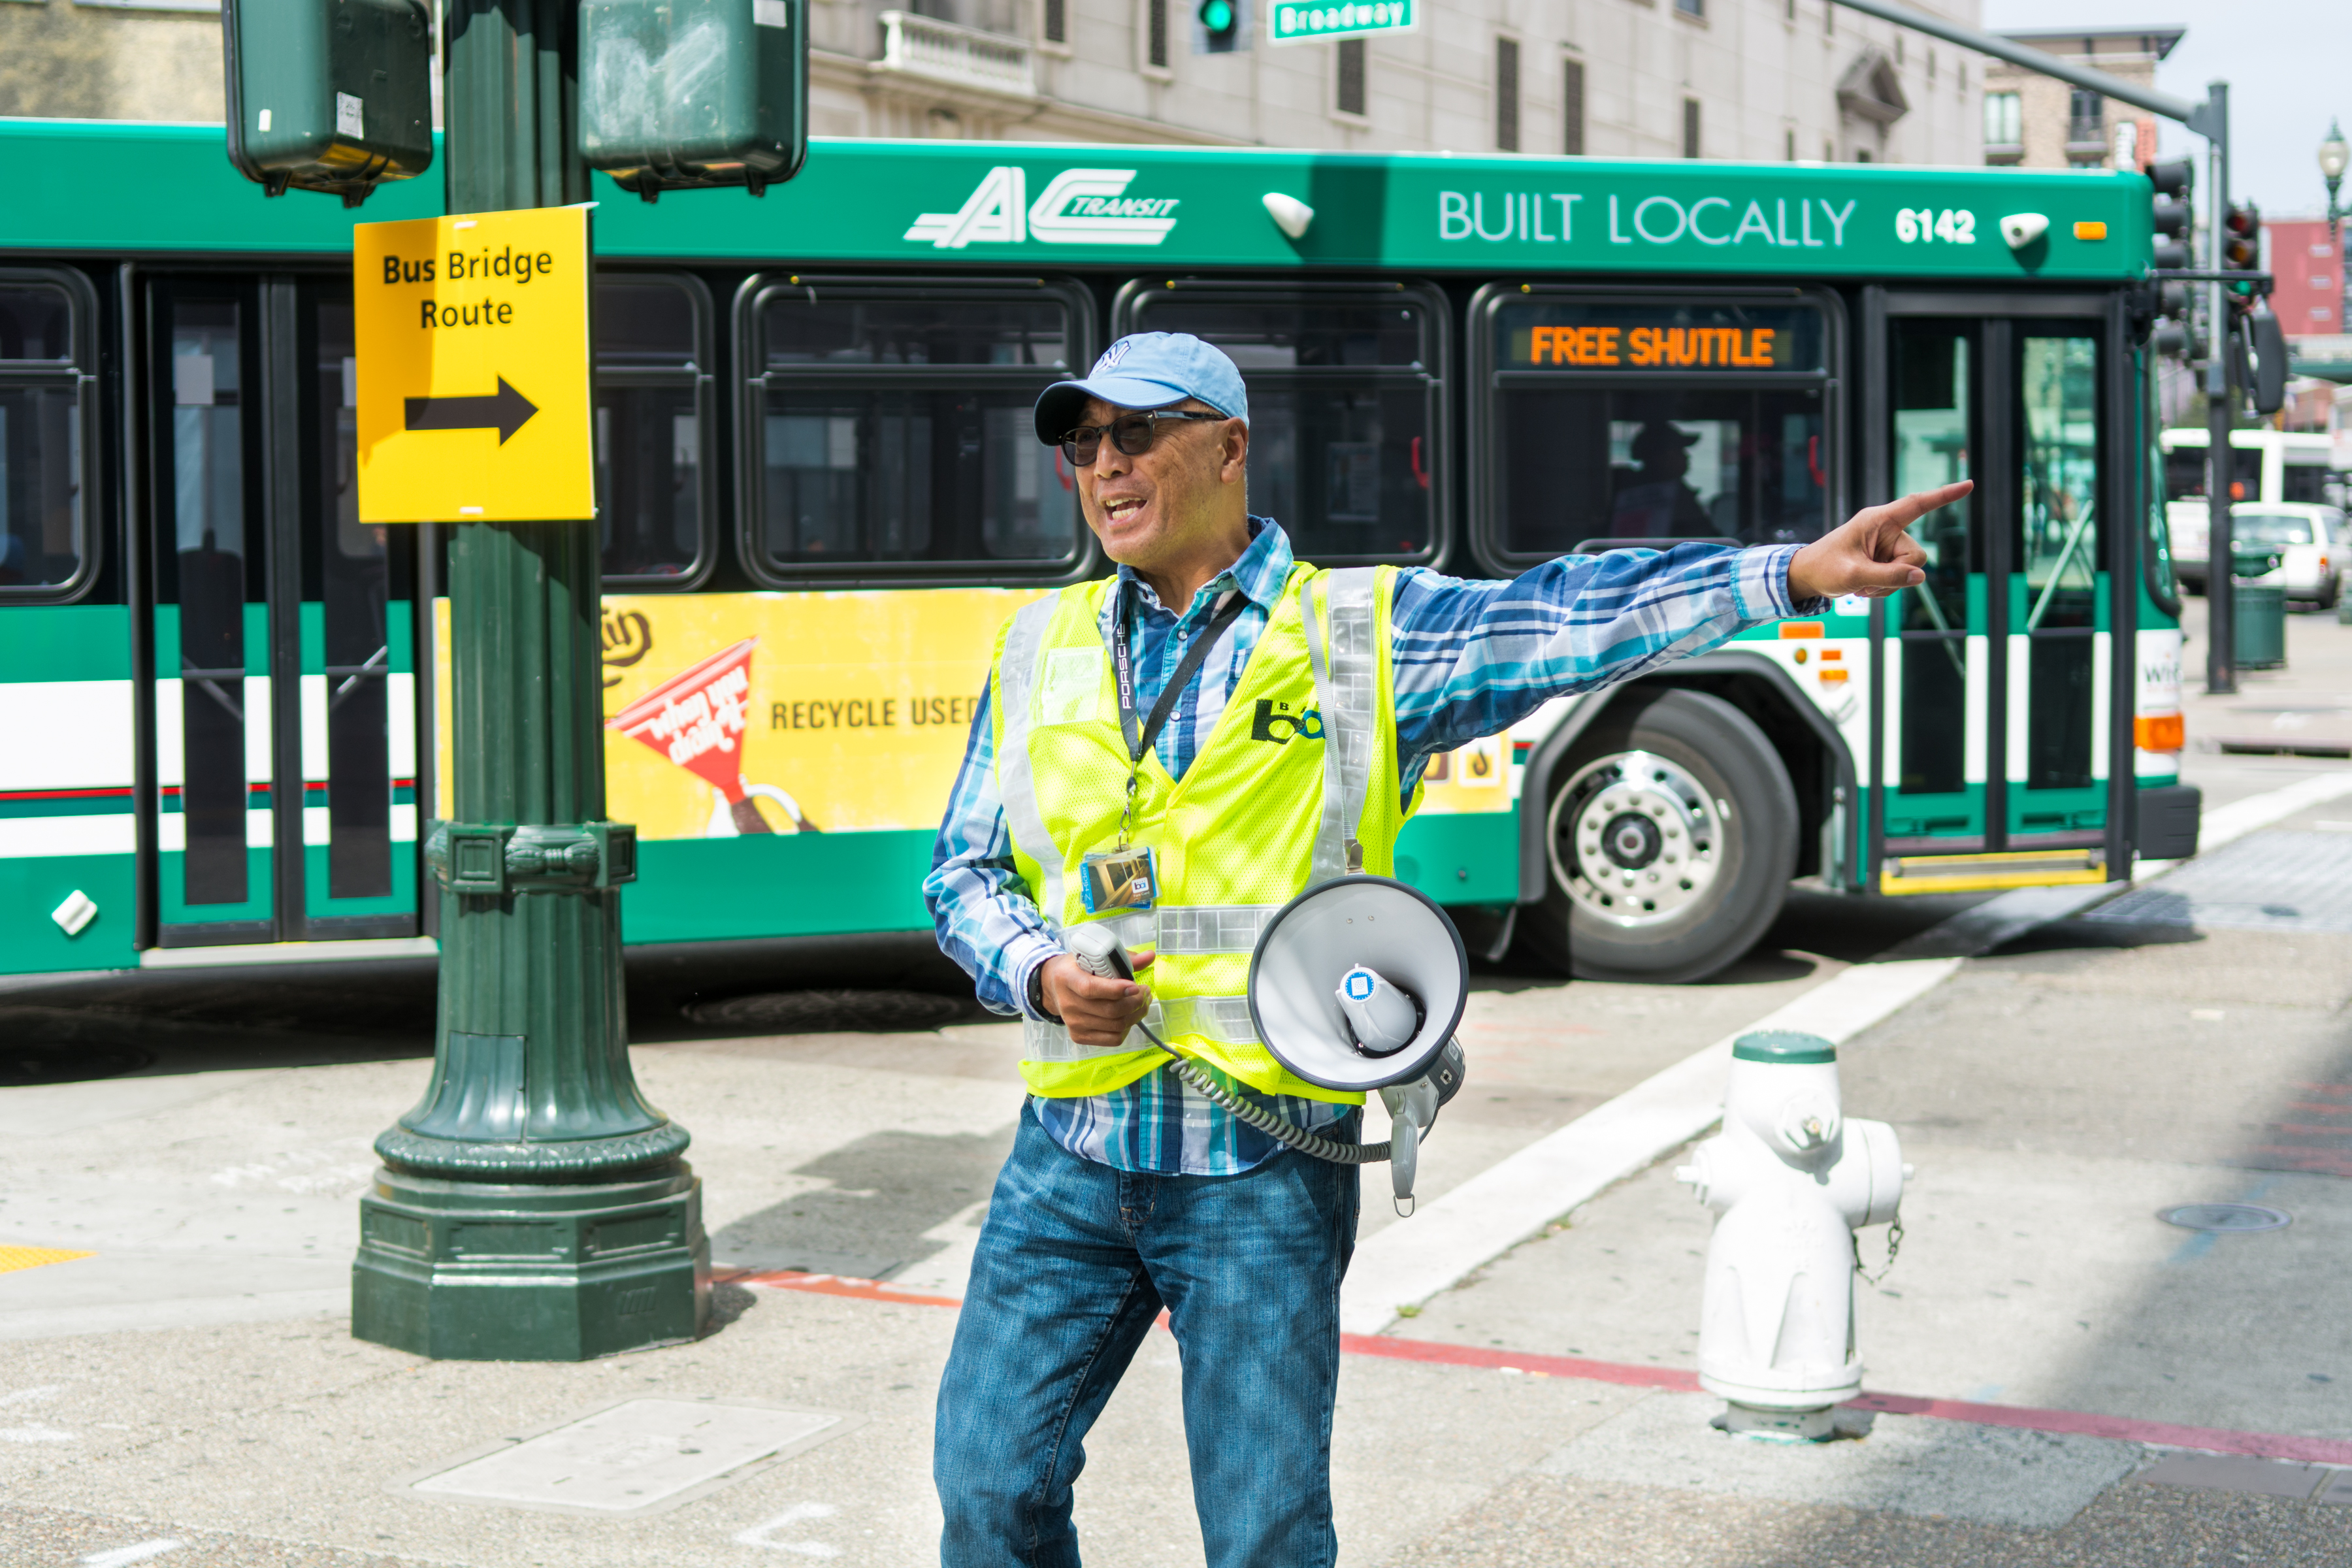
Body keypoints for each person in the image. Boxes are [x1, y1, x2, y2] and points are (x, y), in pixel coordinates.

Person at [924, 331, 1964, 1568]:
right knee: (989, 1494)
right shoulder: (1038, 646)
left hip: (1257, 1165)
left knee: (1263, 1536)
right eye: (1081, 442)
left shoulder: (1362, 630)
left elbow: (1570, 614)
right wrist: (1036, 972)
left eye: (1135, 433)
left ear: (1228, 446)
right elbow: (964, 874)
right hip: (1073, 1156)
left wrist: (1788, 573)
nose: (1105, 465)